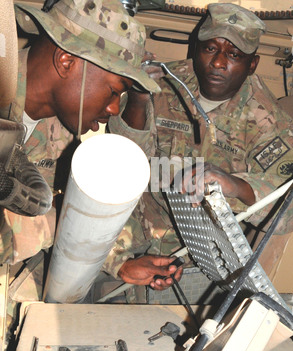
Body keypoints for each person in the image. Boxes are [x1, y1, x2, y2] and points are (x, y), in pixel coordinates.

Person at [104, 3, 293, 298]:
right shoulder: (165, 84)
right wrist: (138, 99)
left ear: (253, 64)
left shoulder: (265, 118)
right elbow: (122, 158)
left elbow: (292, 208)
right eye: (210, 49)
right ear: (196, 48)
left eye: (234, 55)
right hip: (128, 227)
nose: (218, 63)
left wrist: (236, 186)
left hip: (198, 258)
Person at [0, 0, 183, 285]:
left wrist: (120, 262)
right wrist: (50, 226)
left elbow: (53, 203)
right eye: (113, 91)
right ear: (66, 62)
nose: (112, 109)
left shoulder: (59, 130)